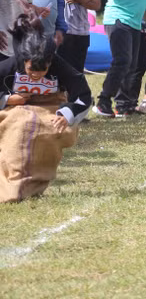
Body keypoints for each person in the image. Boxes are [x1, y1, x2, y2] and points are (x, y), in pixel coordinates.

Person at [0, 14, 92, 202]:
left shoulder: (61, 67)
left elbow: (84, 96)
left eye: (42, 71)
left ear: (50, 62)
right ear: (23, 61)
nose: (36, 75)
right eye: (31, 70)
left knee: (48, 129)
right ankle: (13, 184)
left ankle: (33, 183)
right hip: (16, 108)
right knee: (21, 126)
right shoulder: (9, 66)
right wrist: (8, 99)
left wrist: (67, 114)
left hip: (51, 108)